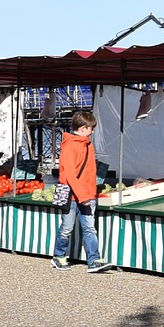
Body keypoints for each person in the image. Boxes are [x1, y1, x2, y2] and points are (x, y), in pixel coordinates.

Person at [53, 109, 111, 273]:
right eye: (91, 128)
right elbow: (71, 174)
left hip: (86, 193)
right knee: (67, 228)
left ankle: (94, 260)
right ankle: (59, 256)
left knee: (89, 228)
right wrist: (84, 196)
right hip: (73, 196)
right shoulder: (71, 146)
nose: (92, 132)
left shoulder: (87, 145)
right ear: (83, 128)